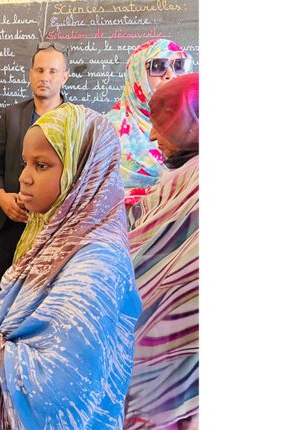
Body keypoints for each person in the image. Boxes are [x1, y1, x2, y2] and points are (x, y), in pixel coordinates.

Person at [0, 103, 142, 428]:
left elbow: (60, 387)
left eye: (41, 165)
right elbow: (46, 320)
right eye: (26, 163)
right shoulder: (59, 234)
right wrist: (1, 311)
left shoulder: (96, 266)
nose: (23, 178)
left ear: (83, 172)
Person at [124, 73, 199, 429]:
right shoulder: (182, 177)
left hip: (168, 355)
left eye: (164, 123)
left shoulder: (194, 184)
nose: (153, 136)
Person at [0, 41, 69, 289]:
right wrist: (1, 197)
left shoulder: (75, 122)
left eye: (52, 71)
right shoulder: (10, 116)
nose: (45, 77)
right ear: (31, 74)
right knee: (1, 292)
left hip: (53, 230)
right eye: (40, 70)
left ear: (64, 77)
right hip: (9, 225)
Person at [105, 38, 193, 206]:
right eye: (158, 66)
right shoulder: (107, 131)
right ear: (137, 74)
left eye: (179, 65)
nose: (170, 74)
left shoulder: (194, 127)